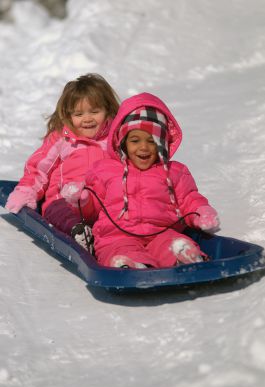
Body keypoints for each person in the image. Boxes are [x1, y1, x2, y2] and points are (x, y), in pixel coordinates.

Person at [65, 92, 220, 269]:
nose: (143, 147)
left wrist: (202, 212)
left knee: (173, 242)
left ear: (161, 144)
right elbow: (93, 208)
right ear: (123, 142)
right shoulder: (105, 170)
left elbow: (189, 199)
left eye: (151, 141)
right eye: (135, 140)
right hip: (117, 236)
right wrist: (82, 200)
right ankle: (131, 265)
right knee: (119, 249)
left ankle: (183, 256)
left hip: (161, 233)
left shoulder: (174, 171)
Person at [6, 73, 120, 243]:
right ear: (68, 115)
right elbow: (39, 169)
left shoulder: (115, 139)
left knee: (118, 218)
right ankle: (79, 233)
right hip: (63, 201)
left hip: (102, 206)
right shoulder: (62, 139)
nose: (87, 119)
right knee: (59, 211)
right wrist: (26, 192)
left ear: (108, 110)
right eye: (79, 114)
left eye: (95, 112)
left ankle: (113, 243)